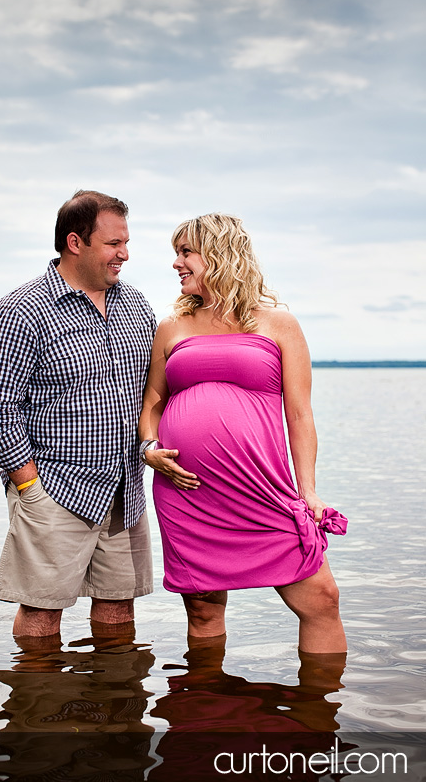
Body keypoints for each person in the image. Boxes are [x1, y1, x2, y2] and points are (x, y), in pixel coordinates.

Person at [139, 212, 347, 654]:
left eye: (185, 252)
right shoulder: (171, 328)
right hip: (188, 491)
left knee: (321, 599)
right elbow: (152, 404)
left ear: (219, 254)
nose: (176, 264)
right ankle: (207, 711)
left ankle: (319, 709)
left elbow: (300, 414)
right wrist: (150, 449)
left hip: (261, 486)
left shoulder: (278, 323)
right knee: (203, 610)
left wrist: (308, 490)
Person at [0, 190, 155, 638]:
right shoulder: (19, 311)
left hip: (125, 492)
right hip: (55, 490)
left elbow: (157, 388)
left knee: (120, 614)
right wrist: (28, 487)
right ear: (76, 243)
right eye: (114, 244)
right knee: (42, 616)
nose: (124, 254)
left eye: (126, 243)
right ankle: (36, 704)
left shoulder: (136, 305)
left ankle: (114, 705)